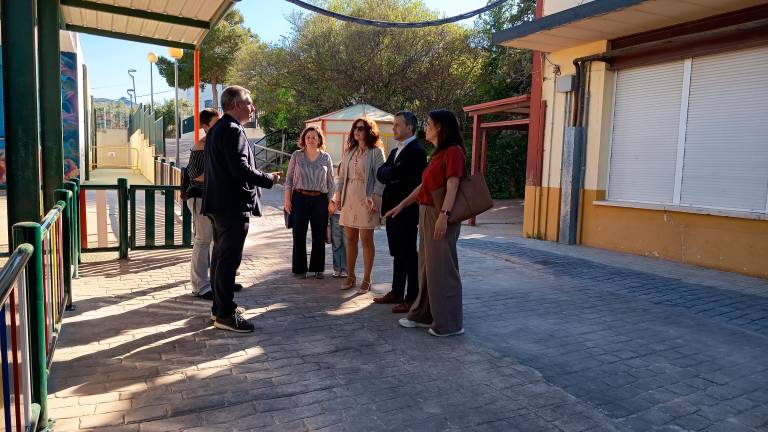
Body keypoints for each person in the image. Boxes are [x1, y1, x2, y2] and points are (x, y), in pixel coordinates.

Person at [202, 85, 280, 333]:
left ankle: (220, 307)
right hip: (231, 206)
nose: (253, 107)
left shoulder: (219, 128)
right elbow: (240, 170)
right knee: (228, 260)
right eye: (249, 103)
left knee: (220, 258)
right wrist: (269, 178)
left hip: (219, 205)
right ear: (236, 105)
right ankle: (225, 314)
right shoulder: (232, 130)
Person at [385, 109, 466, 337]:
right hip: (428, 212)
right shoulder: (438, 153)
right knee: (427, 269)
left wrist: (444, 215)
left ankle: (450, 324)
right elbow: (424, 187)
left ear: (440, 127)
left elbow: (453, 186)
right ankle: (424, 314)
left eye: (429, 124)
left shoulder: (453, 152)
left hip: (439, 214)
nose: (426, 128)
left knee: (443, 269)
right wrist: (401, 205)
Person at [373, 111, 427, 313]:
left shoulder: (417, 151)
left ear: (410, 127)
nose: (394, 128)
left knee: (408, 254)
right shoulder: (396, 151)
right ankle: (396, 291)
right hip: (391, 210)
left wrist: (390, 174)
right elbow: (382, 172)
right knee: (397, 253)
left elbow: (398, 175)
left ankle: (412, 297)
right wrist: (390, 174)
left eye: (397, 125)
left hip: (406, 209)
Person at [332, 118, 385, 294]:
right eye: (355, 128)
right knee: (350, 239)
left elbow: (380, 179)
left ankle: (367, 278)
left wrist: (375, 199)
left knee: (366, 240)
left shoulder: (376, 152)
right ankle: (351, 276)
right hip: (349, 197)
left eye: (361, 128)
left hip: (366, 198)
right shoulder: (349, 151)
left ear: (369, 131)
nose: (357, 131)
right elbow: (341, 177)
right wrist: (338, 196)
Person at [284, 126, 335, 279]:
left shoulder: (326, 157)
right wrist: (287, 200)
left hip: (320, 199)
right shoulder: (297, 156)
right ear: (303, 140)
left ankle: (318, 268)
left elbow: (331, 183)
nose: (311, 140)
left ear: (319, 139)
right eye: (308, 137)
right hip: (299, 198)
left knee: (319, 234)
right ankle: (300, 269)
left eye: (314, 137)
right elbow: (289, 180)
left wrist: (331, 202)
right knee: (298, 233)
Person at [185, 108, 219, 300]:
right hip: (200, 197)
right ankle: (200, 285)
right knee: (203, 240)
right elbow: (195, 175)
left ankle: (218, 281)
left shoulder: (217, 144)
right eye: (215, 122)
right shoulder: (201, 146)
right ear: (205, 126)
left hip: (214, 198)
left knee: (217, 241)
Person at [329, 178, 348, 278]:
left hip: (347, 216)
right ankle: (336, 269)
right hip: (335, 215)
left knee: (346, 244)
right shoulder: (335, 181)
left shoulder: (350, 181)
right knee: (336, 244)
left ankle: (345, 269)